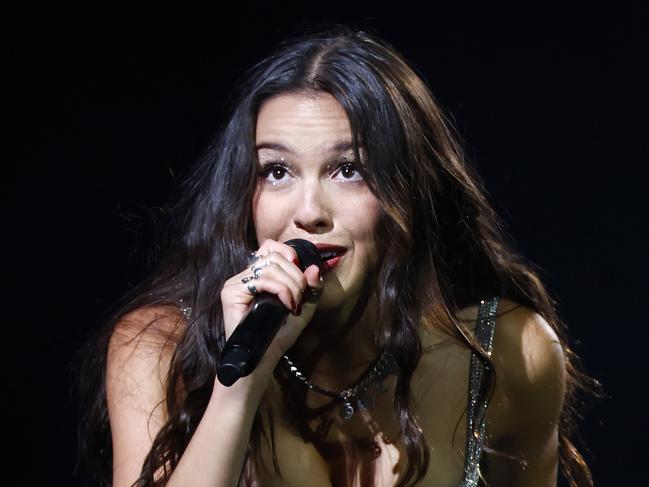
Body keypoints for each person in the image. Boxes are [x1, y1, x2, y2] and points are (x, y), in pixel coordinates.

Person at [76, 24, 601, 487]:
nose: (308, 212)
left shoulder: (509, 351)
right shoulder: (160, 349)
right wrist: (240, 385)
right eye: (276, 171)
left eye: (348, 169)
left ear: (408, 189)